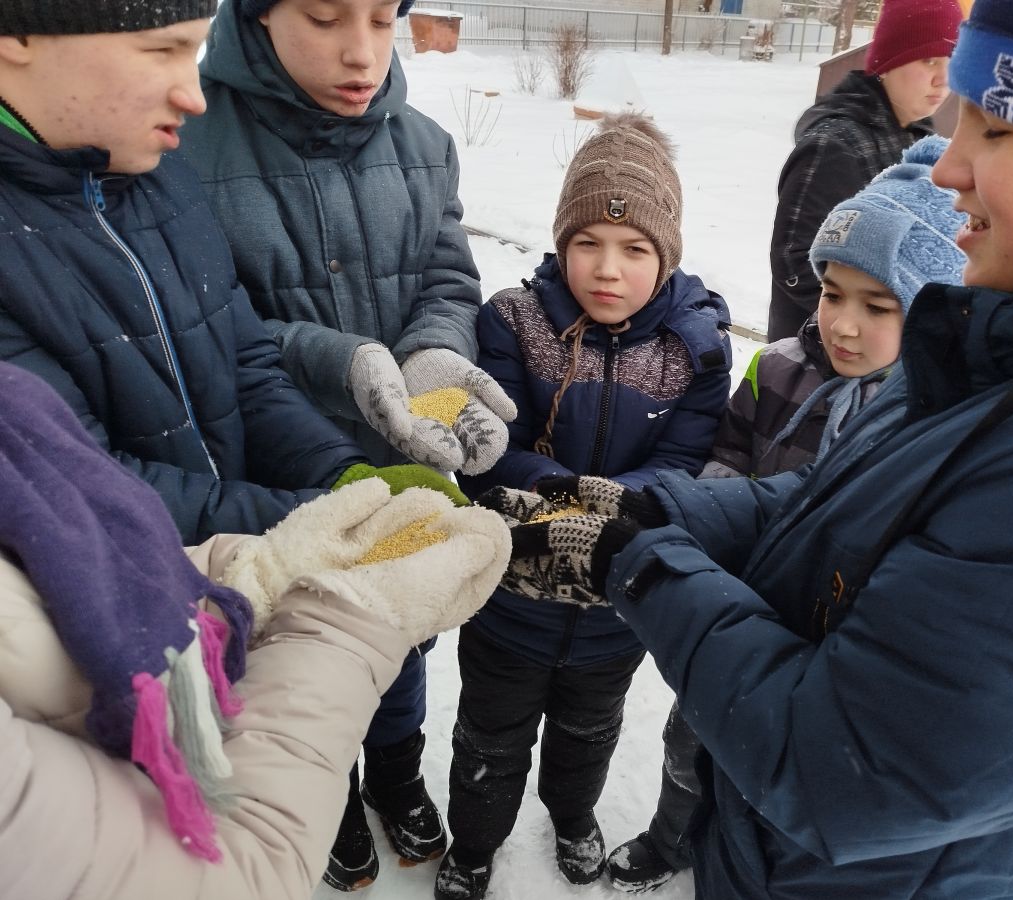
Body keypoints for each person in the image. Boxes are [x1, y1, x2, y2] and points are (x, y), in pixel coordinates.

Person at [486, 0, 1013, 896]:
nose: (950, 165)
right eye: (956, 118)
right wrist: (644, 510)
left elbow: (843, 768)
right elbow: (839, 510)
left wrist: (639, 562)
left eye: (1000, 129)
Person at [178, 1, 514, 886]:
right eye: (326, 17)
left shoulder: (427, 143)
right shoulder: (187, 140)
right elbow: (214, 322)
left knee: (399, 638)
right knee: (307, 641)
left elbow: (446, 273)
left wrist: (434, 353)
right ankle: (332, 786)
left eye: (380, 16)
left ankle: (397, 771)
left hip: (408, 460)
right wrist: (339, 361)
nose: (361, 52)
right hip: (277, 466)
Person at [0, 360, 511, 900]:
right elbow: (233, 874)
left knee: (397, 686)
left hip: (221, 583)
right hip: (214, 744)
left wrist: (266, 567)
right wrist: (350, 619)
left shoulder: (15, 407)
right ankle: (337, 802)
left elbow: (247, 364)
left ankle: (391, 780)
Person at [605, 134, 966, 893]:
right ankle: (674, 838)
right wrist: (693, 520)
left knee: (764, 783)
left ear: (937, 313)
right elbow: (730, 454)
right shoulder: (780, 366)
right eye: (833, 293)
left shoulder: (928, 424)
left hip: (818, 650)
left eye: (880, 305)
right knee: (691, 743)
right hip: (729, 605)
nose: (843, 324)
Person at [0, 0, 464, 550]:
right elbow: (78, 487)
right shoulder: (183, 154)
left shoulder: (158, 180)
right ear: (20, 34)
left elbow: (243, 367)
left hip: (244, 579)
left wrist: (344, 477)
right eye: (160, 51)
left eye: (191, 51)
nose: (191, 96)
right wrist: (330, 523)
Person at [437, 113, 732, 900]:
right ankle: (474, 844)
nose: (608, 269)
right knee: (489, 735)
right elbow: (490, 447)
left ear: (665, 253)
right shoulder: (514, 321)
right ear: (562, 240)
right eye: (588, 243)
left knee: (588, 730)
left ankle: (572, 817)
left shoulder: (694, 347)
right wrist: (570, 494)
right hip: (509, 595)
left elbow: (683, 463)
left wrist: (618, 515)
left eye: (635, 249)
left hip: (615, 606)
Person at [768, 0, 963, 342]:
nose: (942, 78)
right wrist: (879, 323)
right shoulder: (834, 144)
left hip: (887, 364)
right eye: (929, 59)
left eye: (952, 60)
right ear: (889, 60)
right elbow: (794, 262)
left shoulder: (919, 139)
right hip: (821, 362)